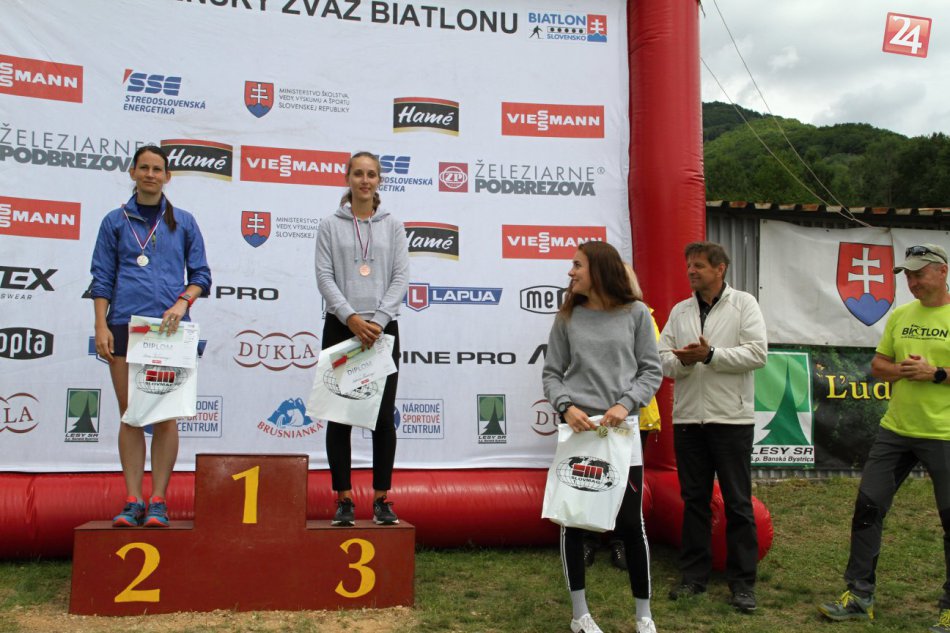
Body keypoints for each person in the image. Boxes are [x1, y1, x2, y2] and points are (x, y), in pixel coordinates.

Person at [818, 244, 950, 633]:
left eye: (919, 274)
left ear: (942, 272)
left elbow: (936, 374)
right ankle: (859, 596)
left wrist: (936, 373)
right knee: (868, 509)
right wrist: (902, 371)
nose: (912, 282)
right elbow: (878, 365)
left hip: (944, 434)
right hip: (896, 431)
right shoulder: (900, 315)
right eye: (908, 276)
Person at [543, 242, 663, 633]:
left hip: (622, 434)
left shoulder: (636, 313)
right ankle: (580, 616)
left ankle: (644, 617)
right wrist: (566, 407)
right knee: (572, 522)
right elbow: (552, 373)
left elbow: (651, 370)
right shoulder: (567, 316)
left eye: (577, 265)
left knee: (631, 522)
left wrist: (625, 405)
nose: (570, 272)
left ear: (599, 270)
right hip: (579, 433)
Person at [90, 144, 211, 528]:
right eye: (143, 168)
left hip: (169, 330)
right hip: (124, 326)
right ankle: (132, 499)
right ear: (133, 172)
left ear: (167, 176)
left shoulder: (184, 222)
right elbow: (101, 278)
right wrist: (100, 325)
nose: (150, 174)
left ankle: (158, 499)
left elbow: (202, 276)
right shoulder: (114, 221)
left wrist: (182, 302)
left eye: (157, 169)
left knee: (165, 416)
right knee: (130, 415)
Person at [658, 241, 767, 612]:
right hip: (689, 420)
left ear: (720, 269)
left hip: (731, 420)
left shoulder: (744, 304)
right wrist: (686, 361)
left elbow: (758, 353)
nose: (691, 271)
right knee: (694, 501)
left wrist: (711, 355)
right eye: (689, 265)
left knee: (738, 503)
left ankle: (743, 584)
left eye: (700, 265)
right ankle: (693, 578)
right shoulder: (680, 310)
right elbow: (662, 360)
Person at [315, 151, 409, 527]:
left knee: (383, 417)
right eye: (358, 174)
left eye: (371, 174)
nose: (365, 181)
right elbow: (324, 276)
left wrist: (378, 320)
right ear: (347, 178)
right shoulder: (329, 225)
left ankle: (382, 499)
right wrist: (351, 318)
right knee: (340, 416)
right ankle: (344, 500)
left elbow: (400, 277)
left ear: (379, 180)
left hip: (382, 330)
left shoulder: (393, 225)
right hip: (342, 327)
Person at [583, 264, 663, 573]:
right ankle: (589, 539)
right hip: (595, 414)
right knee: (590, 475)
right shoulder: (584, 317)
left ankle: (620, 542)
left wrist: (623, 404)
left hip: (631, 417)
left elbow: (649, 369)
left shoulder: (642, 317)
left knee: (626, 485)